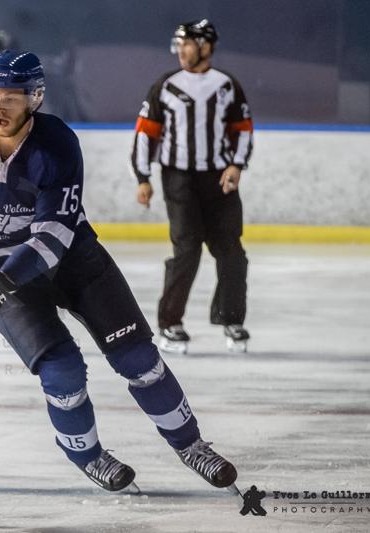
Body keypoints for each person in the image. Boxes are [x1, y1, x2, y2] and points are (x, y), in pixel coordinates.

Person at [0, 50, 238, 492]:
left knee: (138, 359)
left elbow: (51, 238)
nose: (0, 105)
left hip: (72, 260)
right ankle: (88, 456)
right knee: (62, 371)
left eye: (12, 96)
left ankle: (190, 445)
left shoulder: (57, 145)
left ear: (35, 98)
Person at [129, 19, 253, 353]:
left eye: (187, 44)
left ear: (205, 47)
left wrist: (236, 165)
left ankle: (231, 319)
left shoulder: (226, 85)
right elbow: (145, 133)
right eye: (179, 44)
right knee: (187, 251)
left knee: (232, 252)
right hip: (179, 179)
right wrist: (143, 177)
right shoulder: (166, 86)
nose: (181, 51)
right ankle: (170, 323)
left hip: (219, 180)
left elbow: (243, 129)